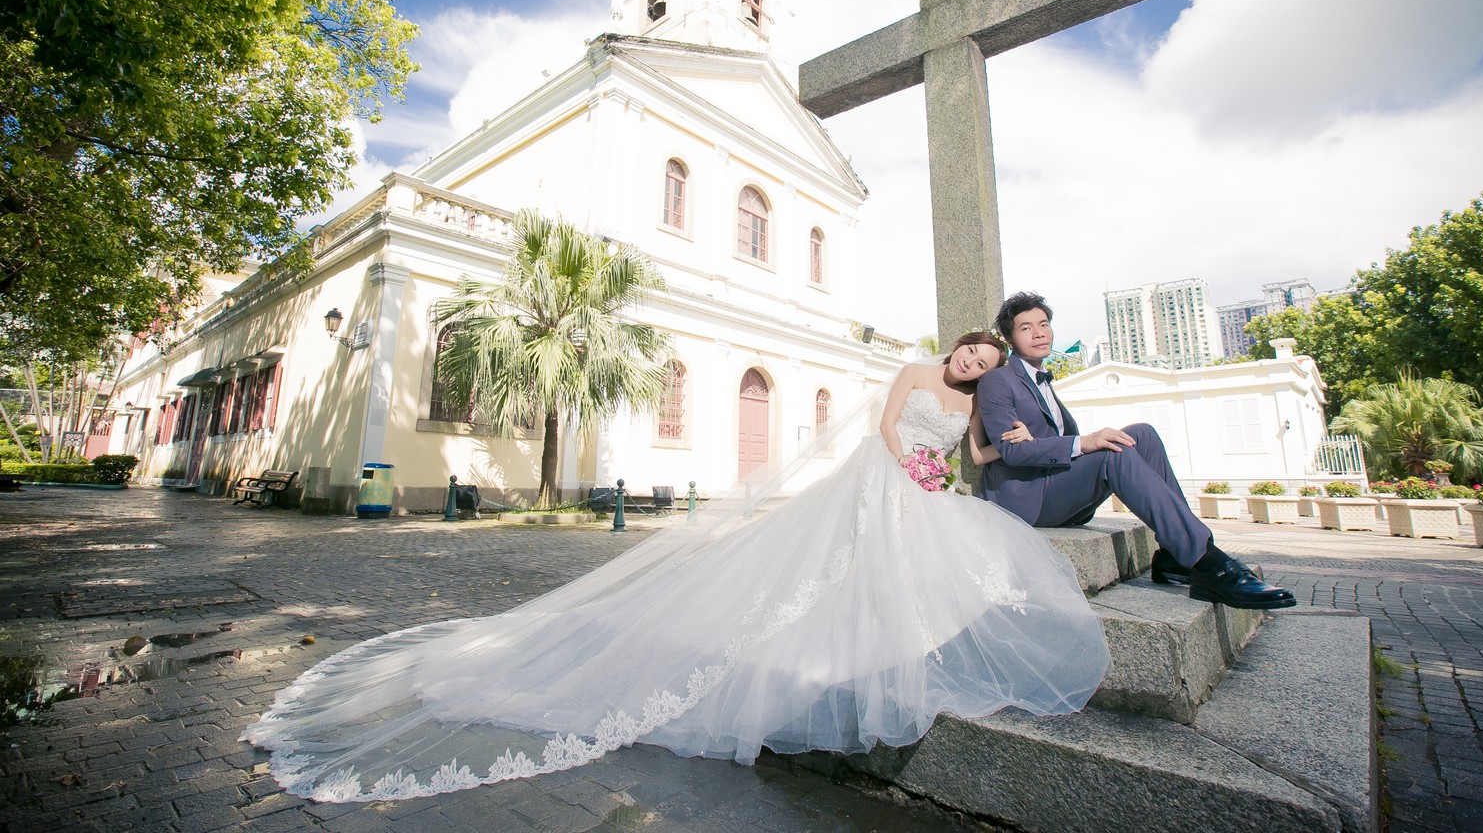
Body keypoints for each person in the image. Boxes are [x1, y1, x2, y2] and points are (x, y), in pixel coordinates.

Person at [242, 331, 1111, 803]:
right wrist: (908, 463)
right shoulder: (916, 370)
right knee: (839, 559)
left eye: (985, 366)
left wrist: (984, 461)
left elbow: (975, 458)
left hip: (922, 489)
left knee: (921, 564)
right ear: (956, 348)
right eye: (970, 356)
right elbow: (889, 427)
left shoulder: (971, 407)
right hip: (879, 478)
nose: (970, 369)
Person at [974, 291, 1296, 611]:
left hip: (1057, 485)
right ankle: (1206, 561)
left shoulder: (1042, 380)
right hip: (1030, 499)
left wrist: (1081, 443)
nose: (1039, 332)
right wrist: (1083, 442)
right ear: (1009, 338)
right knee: (1112, 452)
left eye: (1043, 324)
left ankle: (1172, 557)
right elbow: (1009, 450)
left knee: (1142, 434)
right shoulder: (998, 380)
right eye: (1026, 327)